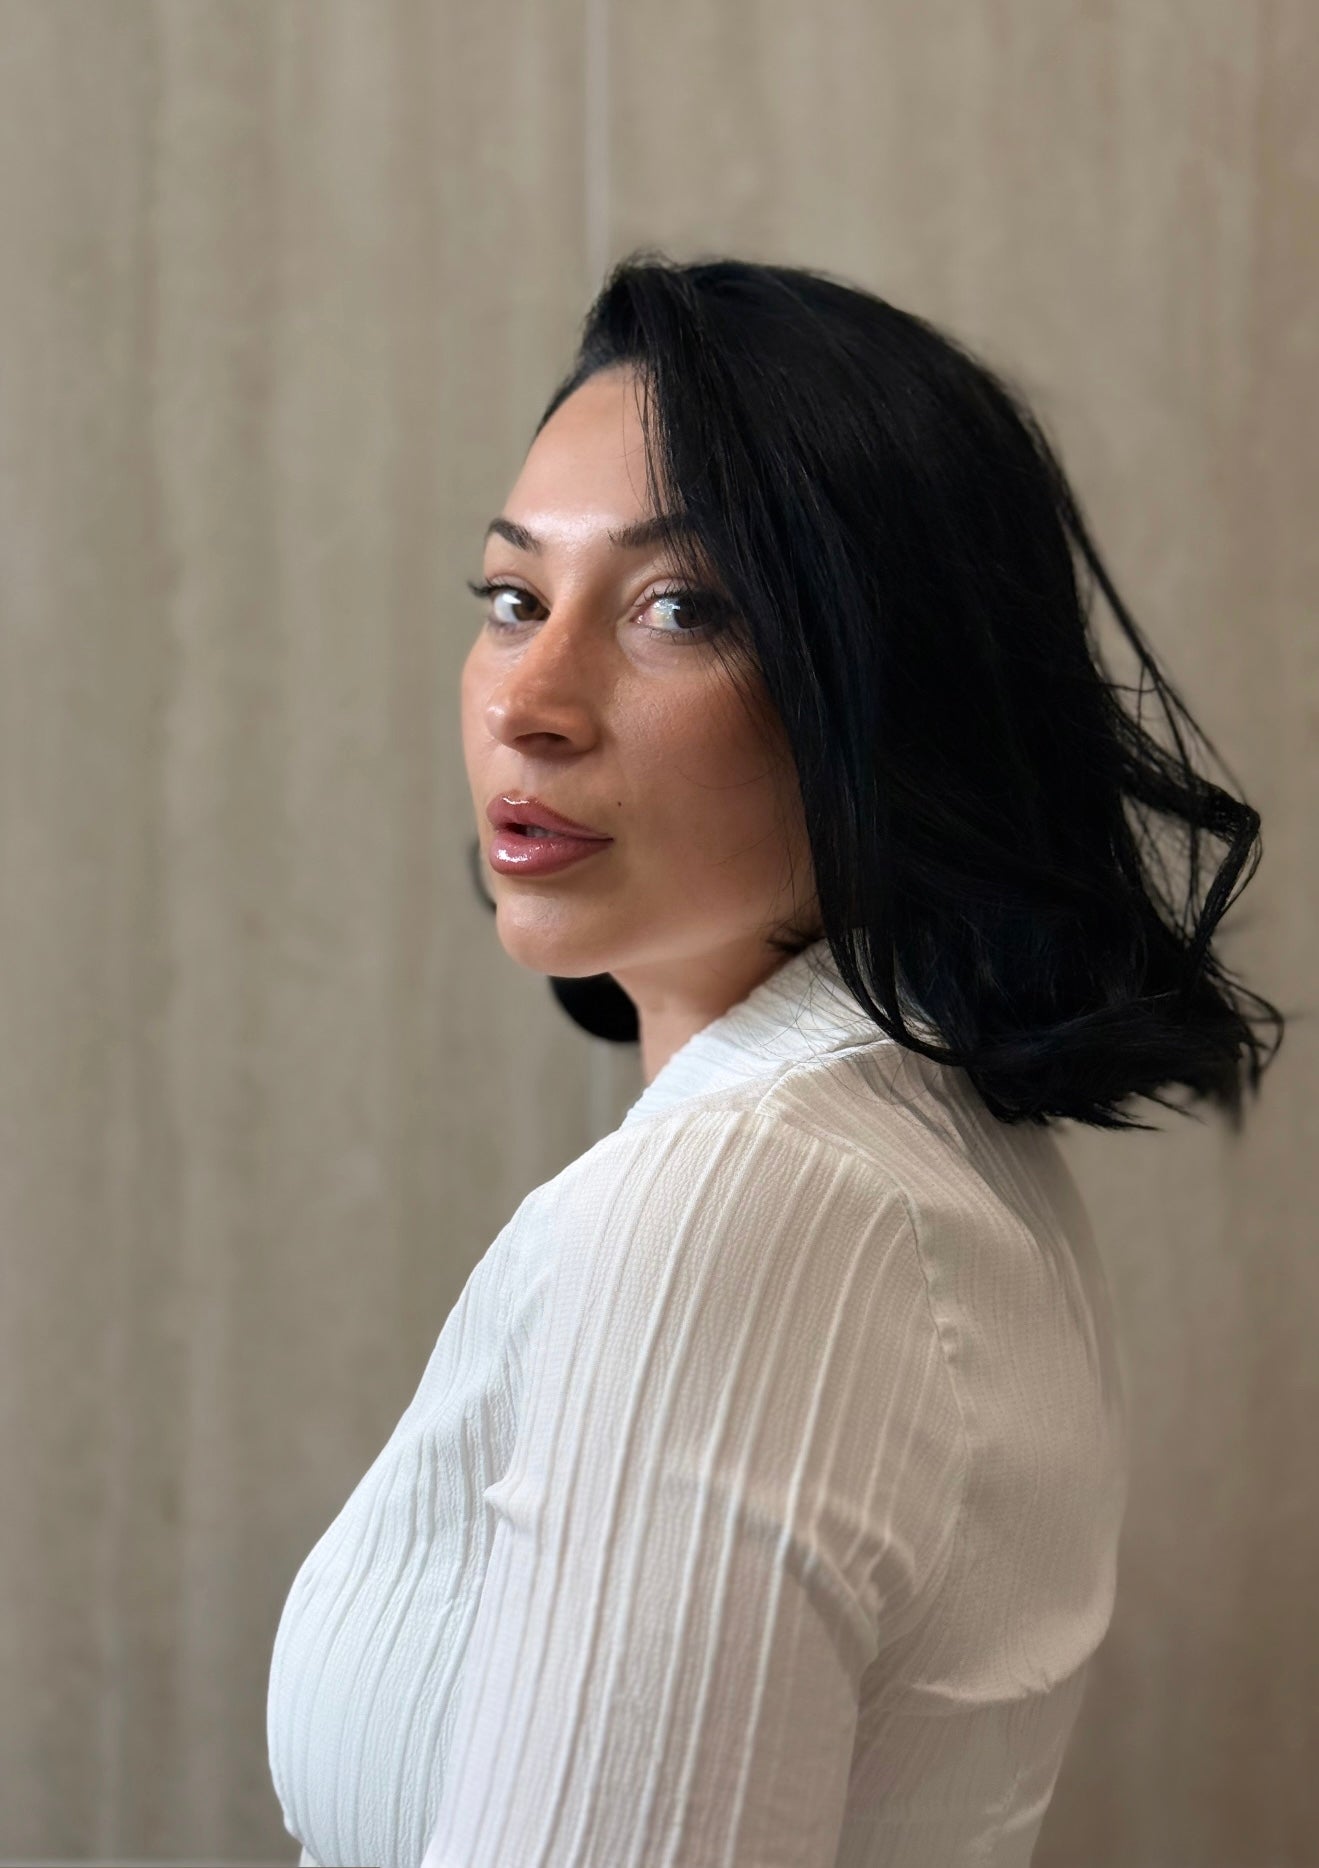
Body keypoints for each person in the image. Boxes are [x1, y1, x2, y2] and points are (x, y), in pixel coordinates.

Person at [266, 253, 1286, 1868]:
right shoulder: (911, 1146)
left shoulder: (749, 1209)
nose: (531, 698)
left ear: (890, 697)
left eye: (681, 607)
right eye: (516, 599)